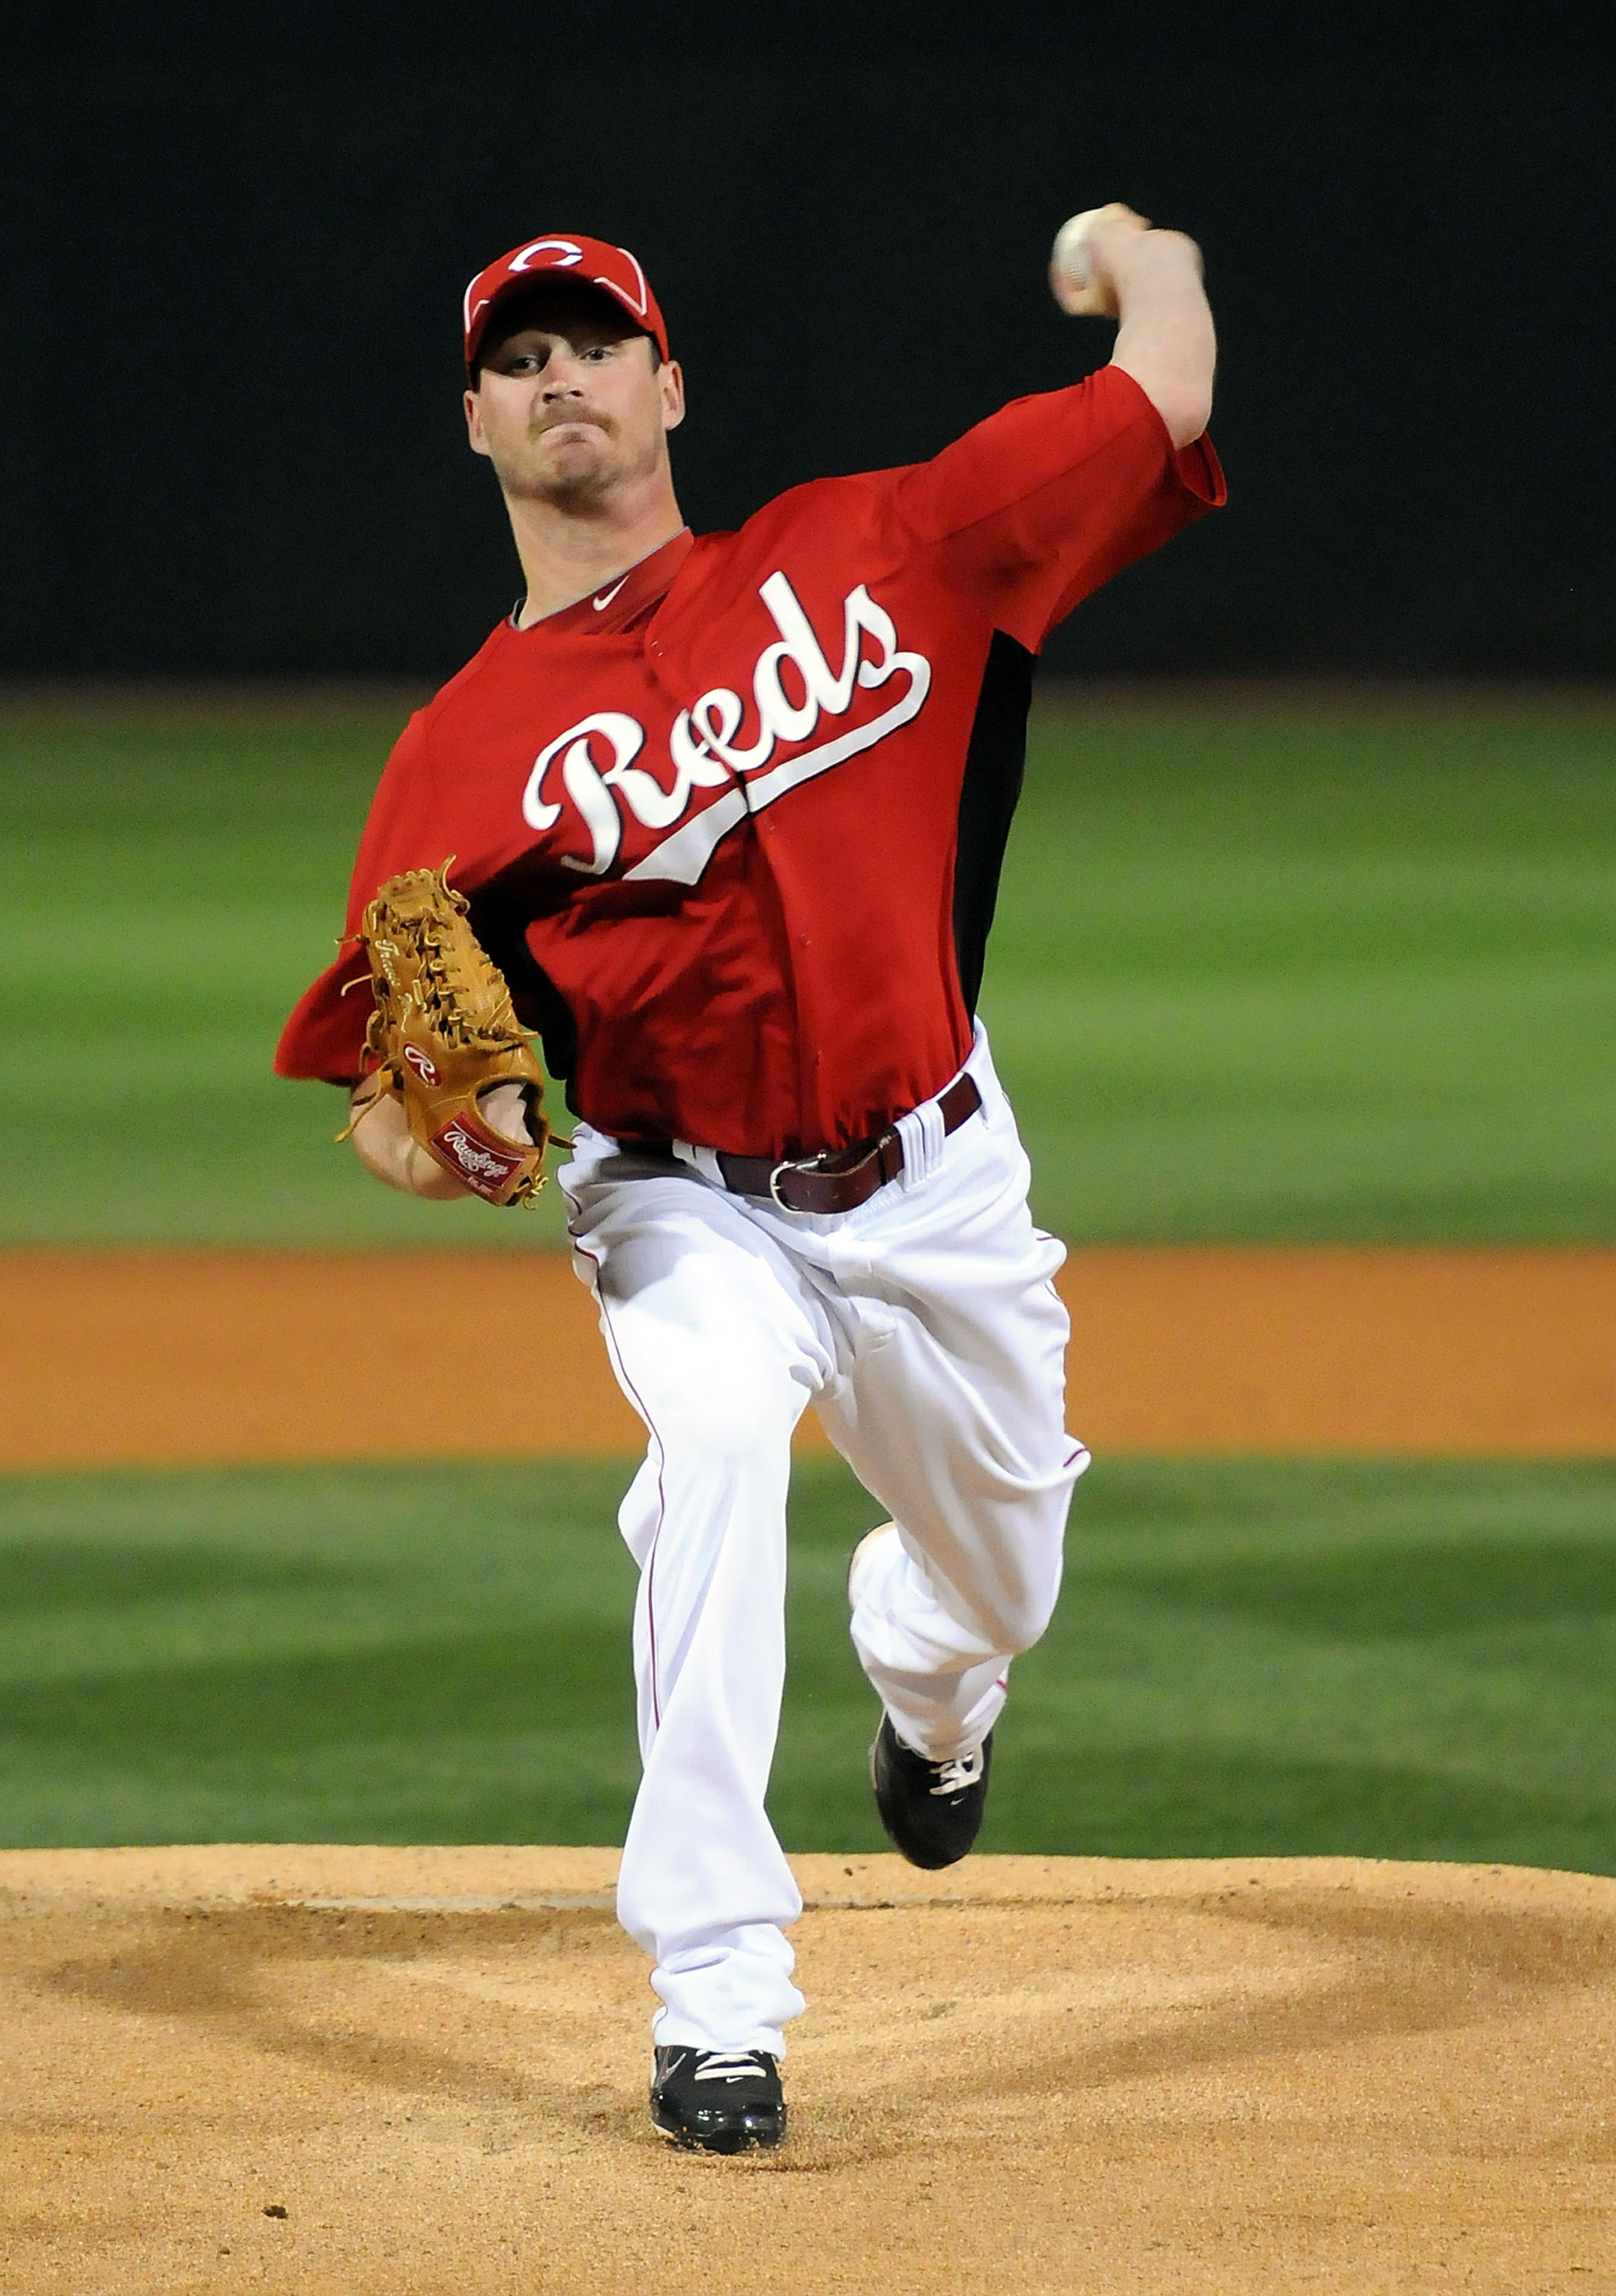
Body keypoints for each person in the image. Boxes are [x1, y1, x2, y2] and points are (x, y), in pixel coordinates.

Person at [276, 215, 1222, 2154]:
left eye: (594, 346)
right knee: (705, 1443)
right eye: (519, 359)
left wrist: (1146, 251)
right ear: (474, 423)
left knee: (1004, 1580)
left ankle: (929, 1686)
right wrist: (432, 1144)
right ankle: (716, 1994)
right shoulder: (458, 752)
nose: (562, 381)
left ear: (667, 385)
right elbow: (388, 1089)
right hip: (678, 1198)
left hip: (939, 1182)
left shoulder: (876, 546)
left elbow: (1162, 399)